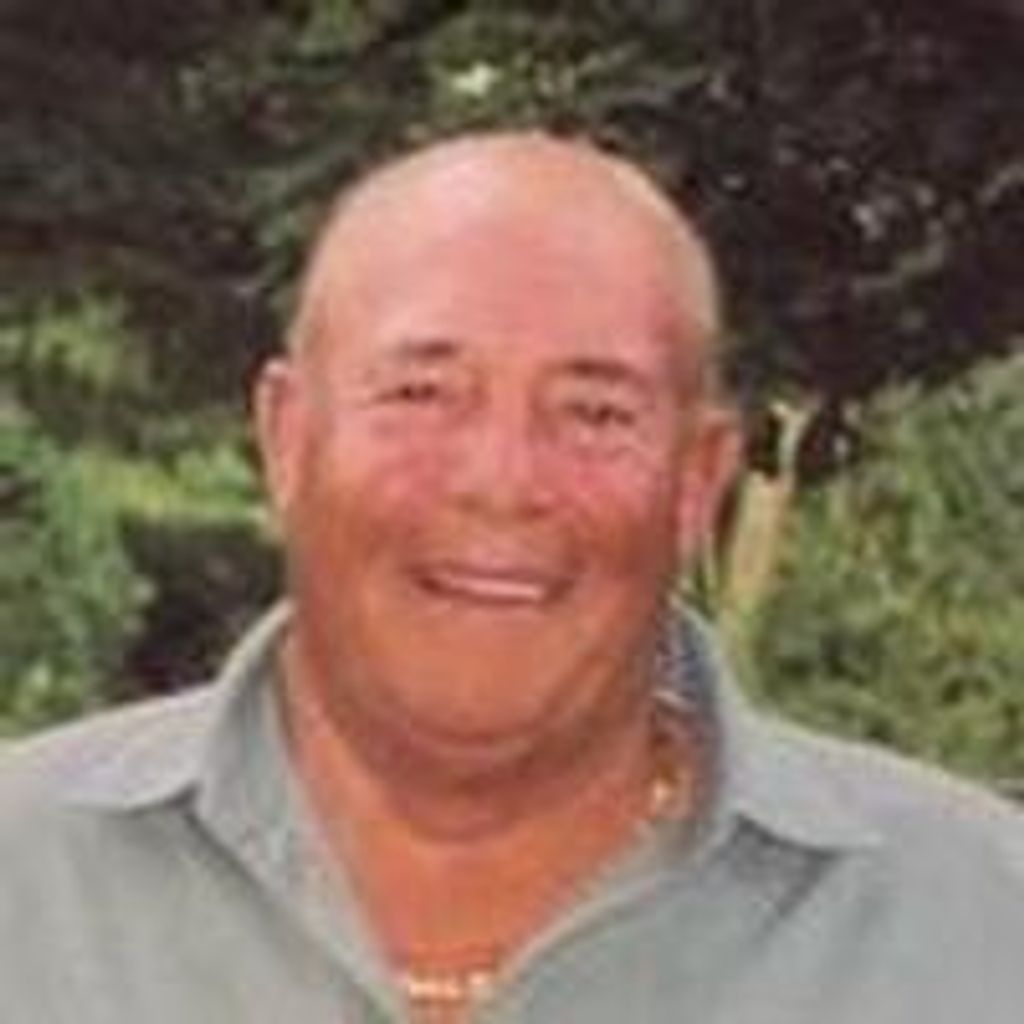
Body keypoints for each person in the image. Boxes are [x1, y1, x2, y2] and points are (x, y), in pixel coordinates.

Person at [1, 132, 1023, 1024]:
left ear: (695, 479)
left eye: (594, 412)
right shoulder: (28, 887)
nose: (500, 482)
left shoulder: (974, 922)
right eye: (422, 392)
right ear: (287, 437)